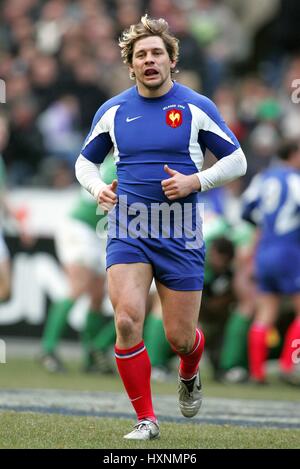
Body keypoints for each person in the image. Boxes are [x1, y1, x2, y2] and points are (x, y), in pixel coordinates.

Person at [75, 14, 247, 440]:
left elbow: (237, 160)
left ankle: (190, 370)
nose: (149, 60)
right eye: (140, 55)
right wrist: (97, 188)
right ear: (130, 65)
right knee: (129, 320)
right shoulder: (113, 110)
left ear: (171, 60)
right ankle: (146, 419)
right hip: (128, 227)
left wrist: (196, 180)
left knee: (180, 339)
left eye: (156, 53)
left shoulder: (196, 106)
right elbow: (84, 161)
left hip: (181, 231)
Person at [40, 155, 116, 373]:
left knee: (96, 294)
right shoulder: (115, 165)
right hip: (80, 228)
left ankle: (91, 356)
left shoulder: (119, 161)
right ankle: (48, 348)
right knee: (78, 287)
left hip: (97, 234)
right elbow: (106, 201)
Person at [242, 140, 300, 385]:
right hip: (289, 250)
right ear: (294, 155)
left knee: (265, 311)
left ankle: (257, 372)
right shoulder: (295, 179)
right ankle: (288, 365)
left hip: (264, 250)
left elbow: (246, 211)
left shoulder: (263, 178)